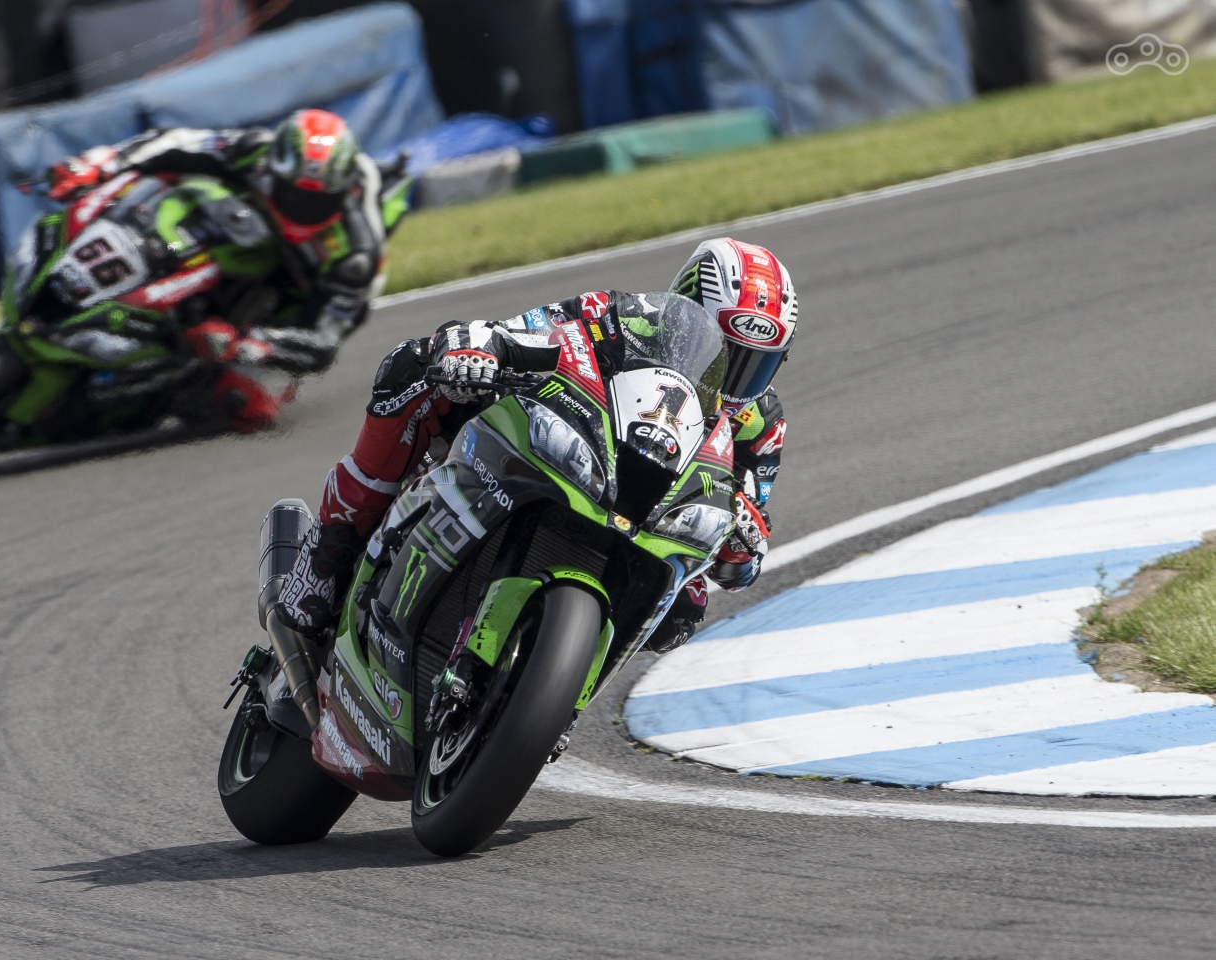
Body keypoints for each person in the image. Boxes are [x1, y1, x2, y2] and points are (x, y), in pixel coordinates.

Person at [274, 237, 797, 653]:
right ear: (686, 309)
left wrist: (746, 540)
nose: (733, 376)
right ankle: (327, 552)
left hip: (653, 517)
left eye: (756, 364)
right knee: (413, 368)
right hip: (574, 453)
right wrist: (481, 343)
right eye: (724, 351)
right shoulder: (625, 316)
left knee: (683, 612)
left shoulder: (760, 424)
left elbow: (744, 536)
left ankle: (551, 683)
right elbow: (534, 329)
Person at [45, 109, 392, 430]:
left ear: (342, 192)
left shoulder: (354, 256)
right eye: (293, 193)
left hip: (310, 286)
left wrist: (248, 342)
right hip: (252, 222)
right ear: (273, 169)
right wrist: (99, 164)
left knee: (244, 404)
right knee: (182, 181)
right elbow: (174, 142)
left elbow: (323, 344)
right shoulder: (256, 150)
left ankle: (158, 397)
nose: (302, 207)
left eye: (317, 201)